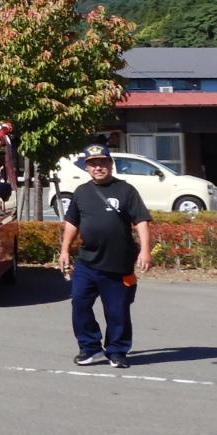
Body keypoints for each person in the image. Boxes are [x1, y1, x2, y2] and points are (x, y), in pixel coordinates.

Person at [57, 143, 152, 368]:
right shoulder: (82, 192)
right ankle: (90, 348)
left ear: (111, 164)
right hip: (87, 263)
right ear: (87, 168)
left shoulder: (126, 190)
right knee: (79, 303)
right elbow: (72, 222)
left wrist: (145, 250)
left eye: (102, 163)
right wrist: (64, 250)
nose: (98, 167)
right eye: (93, 164)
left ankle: (117, 351)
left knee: (117, 311)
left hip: (118, 264)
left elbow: (141, 220)